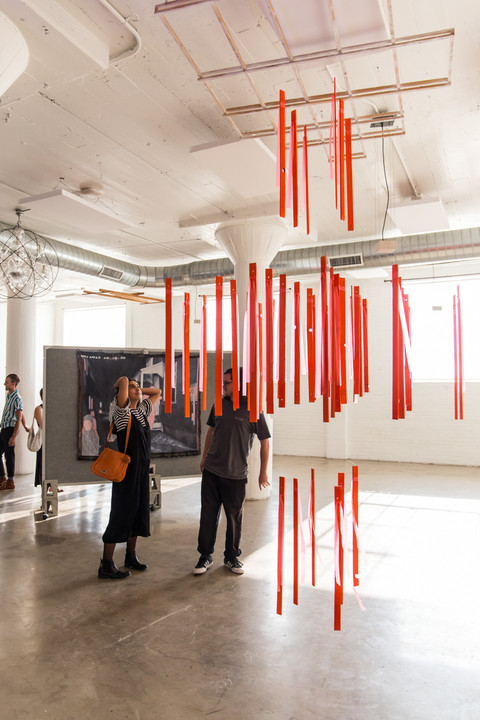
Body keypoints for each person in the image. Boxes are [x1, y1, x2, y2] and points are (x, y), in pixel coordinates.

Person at [193, 367, 270, 576]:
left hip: (236, 476)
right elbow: (211, 431)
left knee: (234, 519)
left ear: (238, 385)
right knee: (208, 516)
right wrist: (204, 457)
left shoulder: (253, 409)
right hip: (212, 471)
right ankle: (205, 556)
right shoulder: (219, 404)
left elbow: (264, 442)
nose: (223, 386)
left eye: (226, 383)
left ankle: (231, 557)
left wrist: (263, 473)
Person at [98, 376, 161, 580]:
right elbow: (123, 381)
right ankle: (106, 564)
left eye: (137, 387)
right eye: (131, 388)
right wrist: (123, 384)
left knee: (137, 513)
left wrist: (138, 389)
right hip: (126, 474)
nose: (136, 390)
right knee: (120, 514)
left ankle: (130, 556)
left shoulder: (141, 412)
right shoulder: (122, 413)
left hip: (141, 472)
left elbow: (157, 392)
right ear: (122, 395)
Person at [0, 373, 28, 491]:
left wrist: (14, 436)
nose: (4, 384)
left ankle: (10, 481)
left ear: (13, 383)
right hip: (4, 428)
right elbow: (20, 413)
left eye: (7, 382)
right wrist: (25, 425)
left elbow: (19, 415)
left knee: (9, 455)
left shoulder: (17, 398)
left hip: (10, 429)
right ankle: (2, 479)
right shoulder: (9, 396)